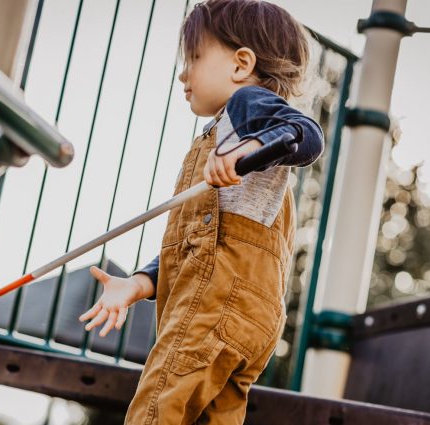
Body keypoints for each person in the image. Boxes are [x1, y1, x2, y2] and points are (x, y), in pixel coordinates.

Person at [79, 1, 324, 423]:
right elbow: (198, 240)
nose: (183, 73)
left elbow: (307, 135)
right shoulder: (224, 130)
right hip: (246, 319)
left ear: (241, 63)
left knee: (158, 408)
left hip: (216, 306)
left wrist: (251, 146)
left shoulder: (249, 106)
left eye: (193, 58)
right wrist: (138, 283)